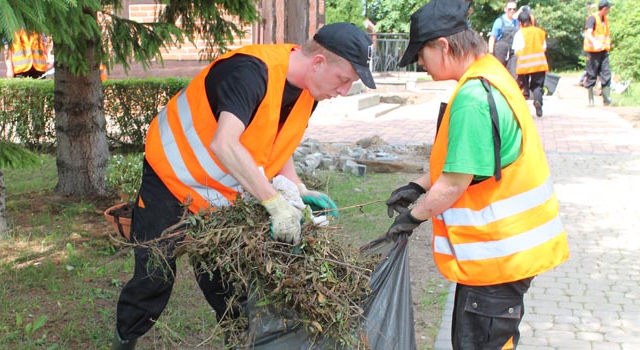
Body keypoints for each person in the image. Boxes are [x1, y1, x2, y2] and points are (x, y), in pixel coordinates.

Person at [111, 22, 375, 350]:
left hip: (218, 194)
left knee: (227, 282)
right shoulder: (250, 73)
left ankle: (240, 342)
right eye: (344, 79)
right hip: (171, 178)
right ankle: (125, 341)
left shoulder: (309, 93)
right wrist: (275, 202)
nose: (344, 91)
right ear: (318, 63)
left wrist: (299, 188)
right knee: (154, 276)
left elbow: (280, 143)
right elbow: (224, 143)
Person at [385, 0, 570, 348]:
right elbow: (467, 161)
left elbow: (455, 183)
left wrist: (413, 216)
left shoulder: (472, 96)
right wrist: (418, 185)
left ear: (442, 46)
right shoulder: (491, 73)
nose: (420, 64)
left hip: (497, 256)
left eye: (420, 55)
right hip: (506, 254)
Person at [512, 9, 549, 117]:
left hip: (524, 66)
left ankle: (522, 110)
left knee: (523, 87)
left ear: (520, 23)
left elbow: (516, 51)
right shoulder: (540, 32)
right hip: (539, 65)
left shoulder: (519, 33)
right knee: (537, 87)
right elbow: (544, 48)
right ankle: (538, 102)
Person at [583, 0, 613, 106]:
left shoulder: (605, 19)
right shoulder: (592, 18)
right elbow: (589, 33)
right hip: (593, 52)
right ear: (604, 8)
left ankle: (606, 98)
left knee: (606, 73)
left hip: (603, 51)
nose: (609, 10)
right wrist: (595, 42)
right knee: (591, 74)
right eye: (608, 8)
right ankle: (591, 100)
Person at [488, 0, 519, 76]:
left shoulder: (517, 22)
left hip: (513, 52)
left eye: (514, 9)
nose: (512, 11)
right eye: (510, 9)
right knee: (499, 73)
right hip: (500, 51)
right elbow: (492, 38)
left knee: (513, 75)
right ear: (505, 9)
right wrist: (491, 53)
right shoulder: (499, 21)